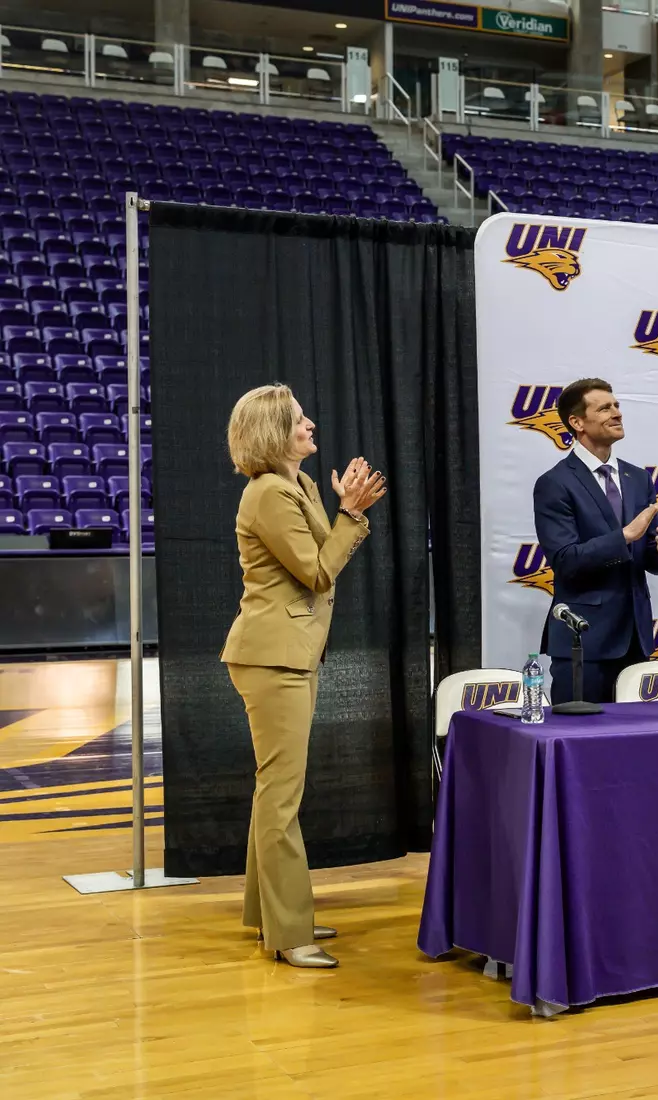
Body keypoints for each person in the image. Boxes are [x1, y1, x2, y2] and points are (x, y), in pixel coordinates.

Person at [220, 384, 386, 969]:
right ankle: (289, 933)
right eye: (298, 420)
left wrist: (344, 512)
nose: (311, 423)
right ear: (274, 431)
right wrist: (353, 515)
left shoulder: (301, 485)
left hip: (291, 652)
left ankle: (269, 913)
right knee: (281, 796)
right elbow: (318, 572)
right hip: (272, 656)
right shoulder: (268, 493)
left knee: (276, 791)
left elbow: (324, 555)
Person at [533, 378, 658, 704]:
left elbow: (645, 557)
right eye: (604, 408)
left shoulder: (638, 478)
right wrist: (625, 535)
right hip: (584, 641)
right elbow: (566, 560)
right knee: (579, 742)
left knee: (631, 747)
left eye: (616, 406)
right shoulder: (555, 483)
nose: (616, 413)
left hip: (635, 640)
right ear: (577, 422)